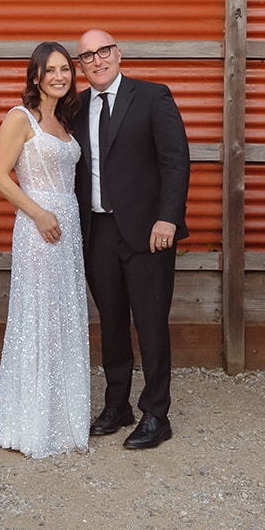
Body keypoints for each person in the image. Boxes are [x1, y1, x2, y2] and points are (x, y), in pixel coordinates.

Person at [71, 28, 190, 450]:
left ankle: (156, 414)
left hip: (149, 232)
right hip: (98, 231)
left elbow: (176, 162)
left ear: (118, 54)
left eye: (103, 51)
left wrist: (168, 219)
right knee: (113, 322)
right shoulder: (77, 106)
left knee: (151, 322)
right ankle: (116, 405)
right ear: (80, 66)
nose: (97, 60)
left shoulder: (153, 96)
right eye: (87, 56)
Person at [0, 41, 92, 458]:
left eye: (65, 69)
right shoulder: (21, 117)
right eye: (50, 70)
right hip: (38, 229)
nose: (59, 76)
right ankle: (28, 419)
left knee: (64, 316)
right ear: (35, 76)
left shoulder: (66, 121)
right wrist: (39, 214)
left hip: (69, 231)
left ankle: (62, 416)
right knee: (38, 317)